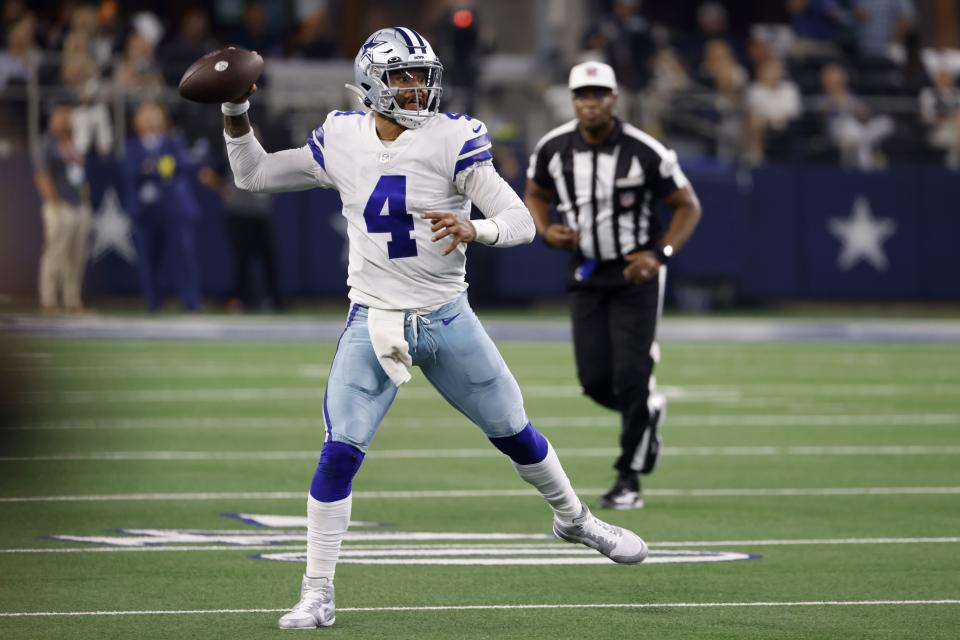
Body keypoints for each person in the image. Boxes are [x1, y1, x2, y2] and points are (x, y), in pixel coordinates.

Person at [218, 27, 649, 630]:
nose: (417, 88)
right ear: (373, 81)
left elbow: (520, 221)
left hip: (447, 316)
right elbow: (254, 175)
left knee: (515, 435)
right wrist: (236, 111)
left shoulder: (454, 138)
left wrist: (478, 230)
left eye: (421, 76)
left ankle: (575, 519)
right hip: (373, 319)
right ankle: (318, 592)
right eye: (402, 77)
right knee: (339, 452)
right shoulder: (341, 136)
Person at [523, 61, 702, 510]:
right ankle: (645, 410)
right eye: (583, 95)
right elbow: (535, 192)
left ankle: (629, 477)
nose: (591, 103)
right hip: (585, 271)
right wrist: (546, 230)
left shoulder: (645, 150)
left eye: (600, 94)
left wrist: (659, 255)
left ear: (615, 98)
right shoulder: (553, 148)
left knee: (631, 374)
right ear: (573, 100)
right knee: (595, 379)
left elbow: (687, 206)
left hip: (635, 274)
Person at [123, 102, 202, 311]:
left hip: (174, 209)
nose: (150, 118)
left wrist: (152, 168)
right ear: (136, 121)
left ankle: (190, 301)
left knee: (184, 255)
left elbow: (181, 167)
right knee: (149, 258)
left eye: (154, 113)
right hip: (145, 211)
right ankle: (154, 302)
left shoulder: (173, 142)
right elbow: (131, 171)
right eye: (144, 113)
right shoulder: (131, 145)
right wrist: (160, 168)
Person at [33, 104, 92, 314]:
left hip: (79, 204)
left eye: (69, 115)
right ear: (53, 118)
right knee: (56, 253)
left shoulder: (74, 141)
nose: (66, 119)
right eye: (62, 115)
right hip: (60, 205)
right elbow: (42, 175)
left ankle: (72, 300)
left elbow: (80, 173)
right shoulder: (46, 144)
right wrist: (54, 204)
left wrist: (85, 200)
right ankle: (48, 300)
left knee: (76, 256)